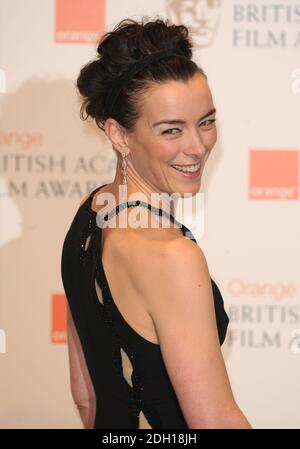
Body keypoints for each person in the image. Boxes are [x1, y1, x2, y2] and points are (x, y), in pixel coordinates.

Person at [61, 17, 252, 429]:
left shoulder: (89, 214)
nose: (198, 146)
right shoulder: (171, 256)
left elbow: (85, 394)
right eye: (171, 130)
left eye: (206, 121)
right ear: (119, 135)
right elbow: (215, 420)